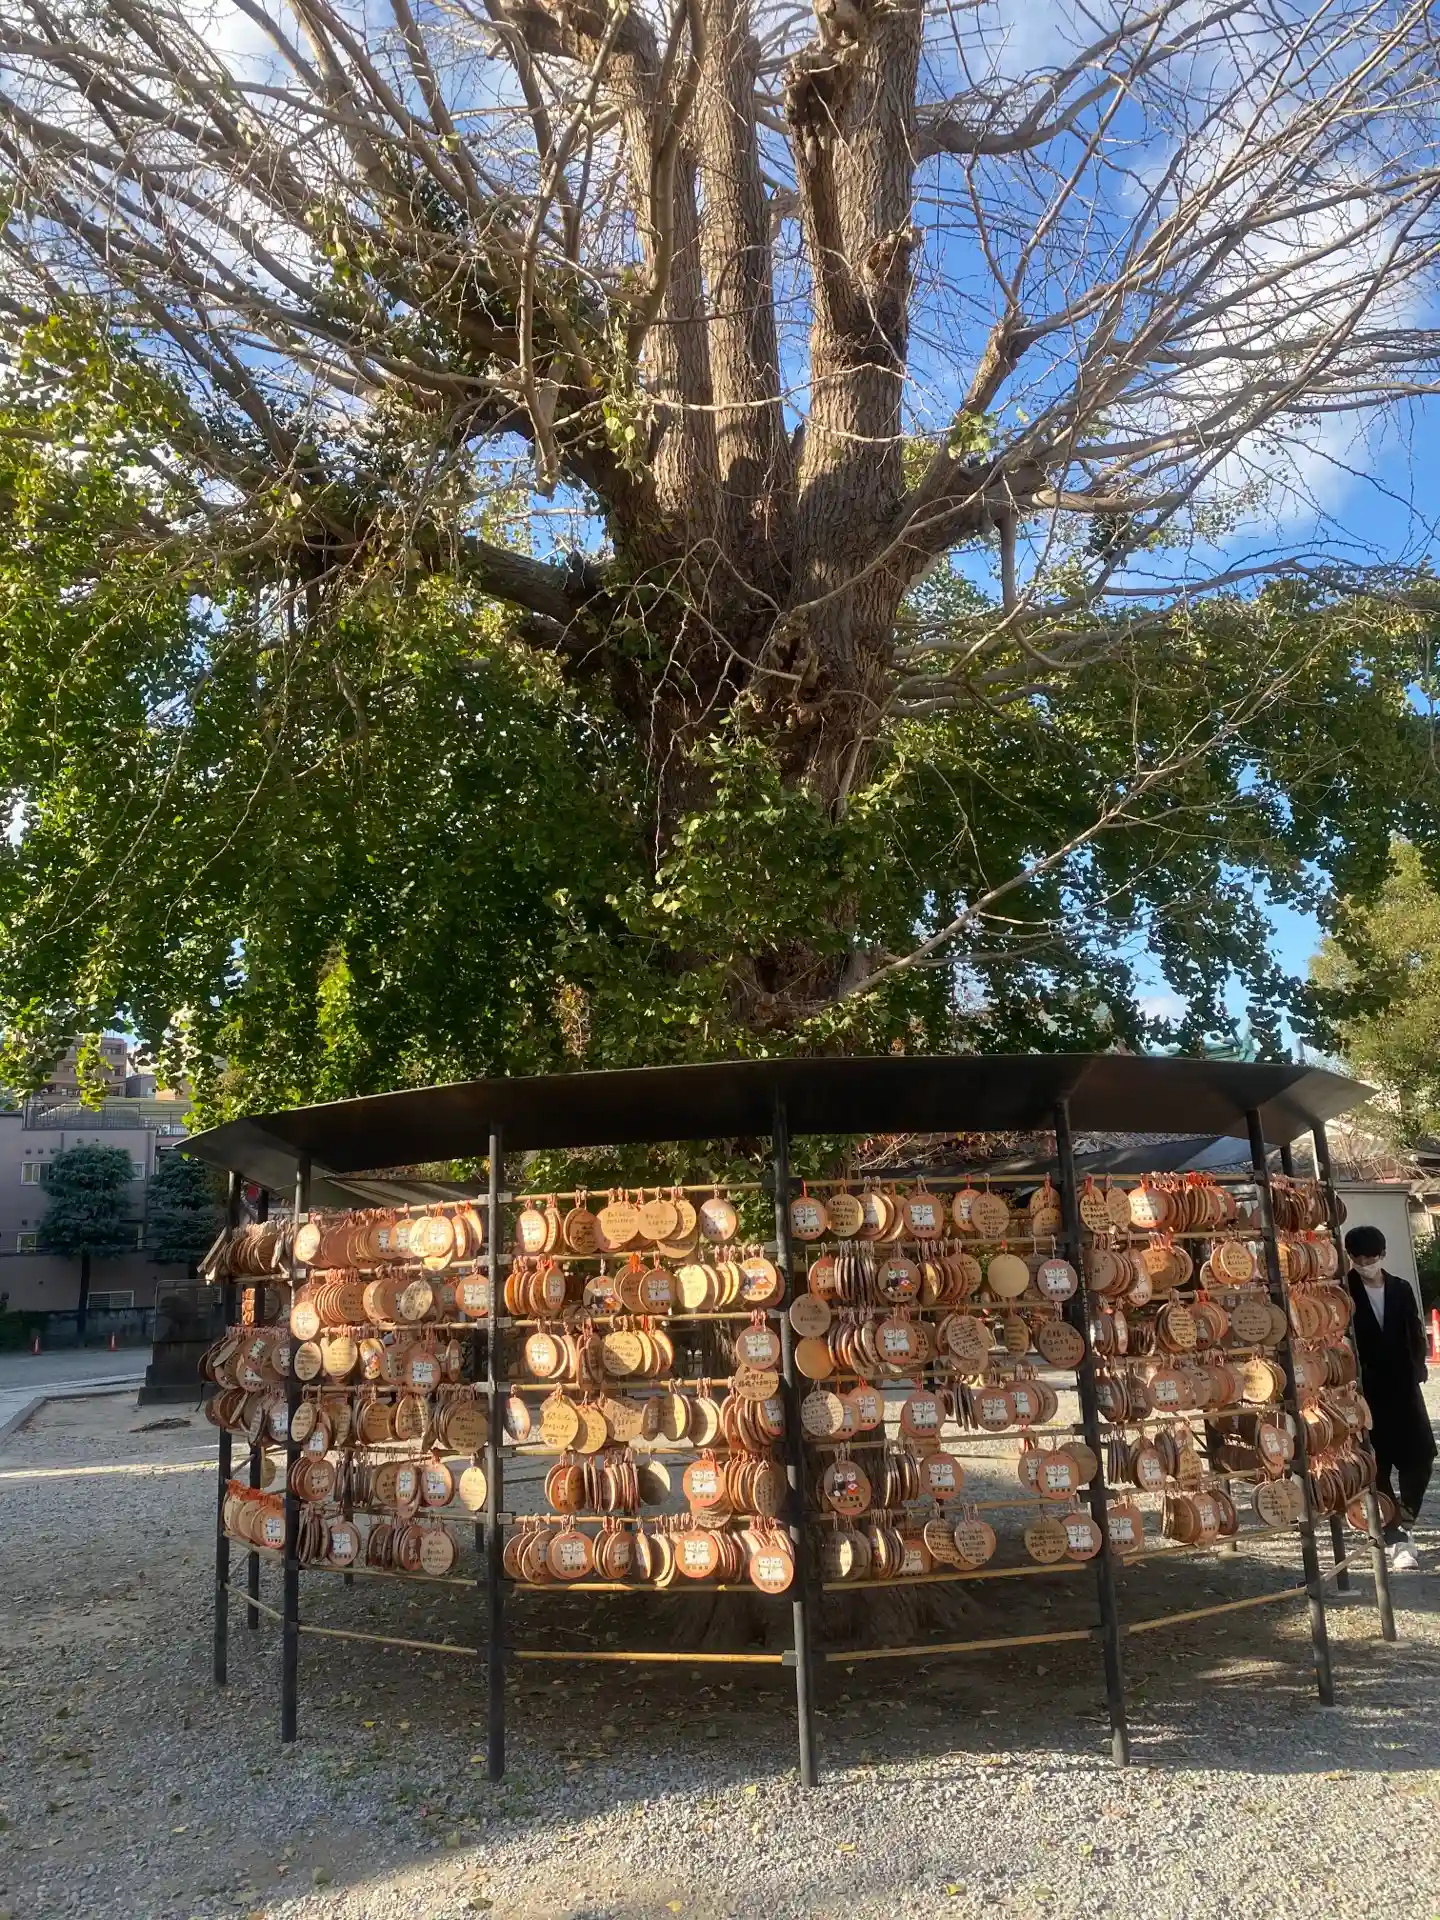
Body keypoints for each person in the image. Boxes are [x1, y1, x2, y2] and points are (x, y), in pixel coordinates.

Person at [1345, 1225, 1435, 1570]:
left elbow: (1414, 1330)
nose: (1365, 1264)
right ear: (1351, 1258)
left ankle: (1405, 1520)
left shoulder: (1400, 1287)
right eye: (1359, 1258)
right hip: (1365, 1390)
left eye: (1371, 1257)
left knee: (1421, 1455)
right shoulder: (1345, 1290)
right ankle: (1396, 1534)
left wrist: (1418, 1367)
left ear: (1382, 1255)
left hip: (1404, 1386)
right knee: (1376, 1463)